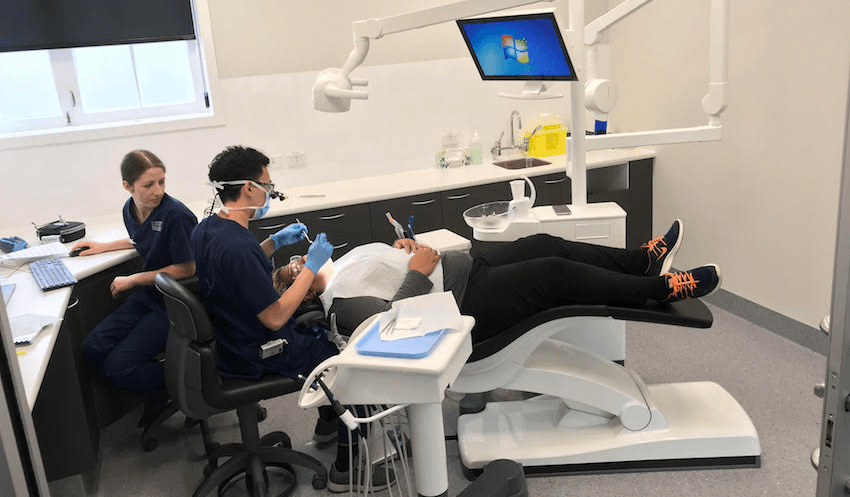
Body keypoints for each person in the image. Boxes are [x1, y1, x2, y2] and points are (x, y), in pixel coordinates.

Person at [191, 145, 392, 493]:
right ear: (249, 188)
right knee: (347, 365)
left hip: (228, 338)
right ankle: (347, 470)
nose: (271, 193)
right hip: (257, 348)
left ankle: (328, 424)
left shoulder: (207, 228)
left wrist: (272, 242)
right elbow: (274, 317)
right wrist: (311, 266)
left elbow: (236, 275)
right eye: (268, 186)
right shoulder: (237, 246)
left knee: (315, 329)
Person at [274, 220, 721, 344]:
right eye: (294, 272)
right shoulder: (339, 300)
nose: (299, 261)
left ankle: (641, 260)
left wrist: (402, 250)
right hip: (463, 303)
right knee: (554, 274)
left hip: (466, 267)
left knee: (545, 242)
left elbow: (391, 268)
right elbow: (391, 326)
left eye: (295, 259)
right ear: (304, 290)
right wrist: (415, 273)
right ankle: (660, 289)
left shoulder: (346, 260)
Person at [75, 150, 198, 429]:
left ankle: (194, 384)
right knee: (93, 347)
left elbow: (187, 269)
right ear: (127, 186)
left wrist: (133, 279)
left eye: (162, 182)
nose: (158, 191)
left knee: (119, 367)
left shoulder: (176, 214)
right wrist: (105, 246)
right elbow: (141, 240)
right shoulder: (130, 209)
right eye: (148, 185)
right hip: (151, 295)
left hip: (177, 300)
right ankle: (159, 390)